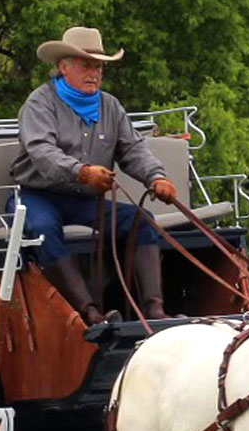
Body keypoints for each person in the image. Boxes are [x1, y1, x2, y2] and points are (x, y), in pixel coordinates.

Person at [12, 26, 179, 323]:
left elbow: (132, 149)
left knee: (142, 221)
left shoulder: (110, 106)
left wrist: (156, 177)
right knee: (42, 229)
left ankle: (154, 311)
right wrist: (82, 172)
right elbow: (42, 152)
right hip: (39, 196)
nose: (94, 73)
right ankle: (88, 313)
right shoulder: (39, 103)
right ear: (63, 67)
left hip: (86, 201)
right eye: (85, 65)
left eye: (98, 67)